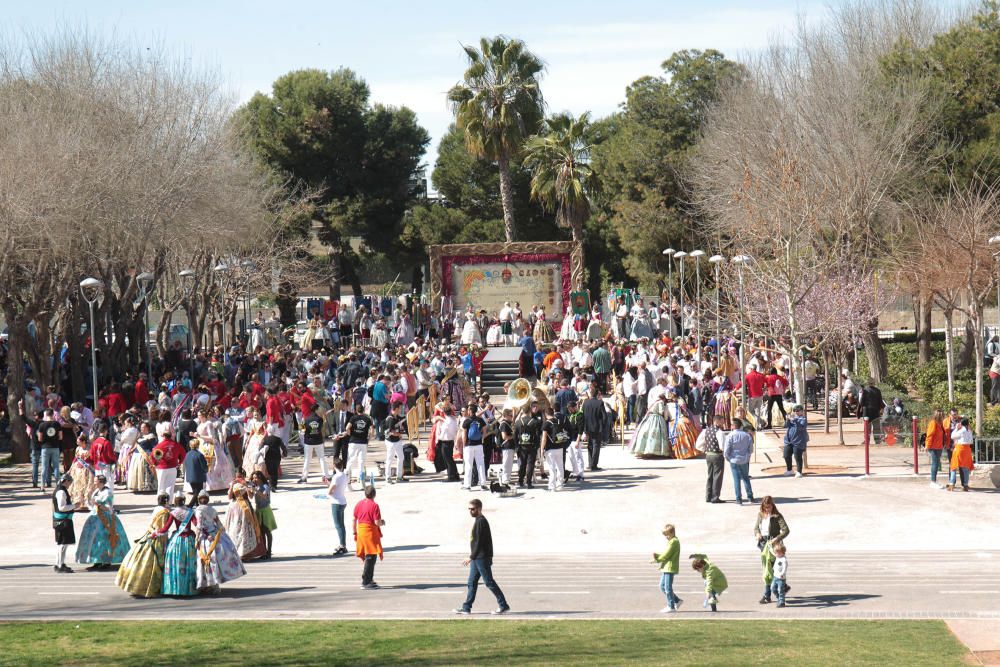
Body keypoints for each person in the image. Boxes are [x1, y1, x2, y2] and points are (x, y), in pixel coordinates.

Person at [454, 498, 510, 615]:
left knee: (489, 582)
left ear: (479, 509)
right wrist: (473, 557)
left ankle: (503, 605)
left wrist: (471, 557)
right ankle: (466, 607)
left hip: (481, 558)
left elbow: (479, 542)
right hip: (477, 558)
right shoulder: (478, 520)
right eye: (469, 509)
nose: (470, 511)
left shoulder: (481, 521)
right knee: (471, 582)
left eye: (473, 509)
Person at [115, 493, 172, 597]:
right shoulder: (164, 512)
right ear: (166, 501)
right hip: (158, 538)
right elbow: (162, 528)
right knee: (157, 563)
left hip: (149, 534)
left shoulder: (156, 509)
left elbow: (151, 525)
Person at [194, 490, 247, 594]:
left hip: (205, 538)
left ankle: (209, 584)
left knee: (206, 561)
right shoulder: (212, 510)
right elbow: (218, 523)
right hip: (215, 536)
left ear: (199, 500)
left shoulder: (198, 510)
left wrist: (197, 539)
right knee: (215, 561)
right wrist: (222, 535)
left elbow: (199, 526)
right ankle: (214, 585)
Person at [76, 475, 130, 570]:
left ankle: (106, 561)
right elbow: (93, 502)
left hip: (106, 518)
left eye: (96, 481)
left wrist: (97, 503)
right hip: (96, 516)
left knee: (104, 539)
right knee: (95, 540)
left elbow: (107, 506)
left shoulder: (107, 492)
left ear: (101, 482)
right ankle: (96, 560)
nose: (94, 482)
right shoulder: (97, 491)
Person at [755, 495, 791, 604]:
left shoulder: (777, 516)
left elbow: (786, 530)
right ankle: (778, 590)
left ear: (772, 505)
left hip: (775, 546)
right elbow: (756, 527)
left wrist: (777, 538)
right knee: (767, 569)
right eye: (765, 507)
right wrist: (757, 533)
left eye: (769, 507)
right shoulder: (760, 515)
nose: (767, 509)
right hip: (764, 544)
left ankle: (769, 594)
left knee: (775, 569)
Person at [161, 493, 199, 597]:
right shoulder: (190, 512)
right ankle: (190, 589)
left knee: (176, 563)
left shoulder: (173, 513)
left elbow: (166, 528)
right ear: (184, 500)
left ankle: (176, 588)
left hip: (177, 540)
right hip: (189, 540)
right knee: (190, 564)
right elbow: (197, 525)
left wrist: (156, 533)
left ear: (176, 501)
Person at [225, 471, 266, 561]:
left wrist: (247, 487)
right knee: (234, 529)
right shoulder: (232, 483)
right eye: (237, 475)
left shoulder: (248, 483)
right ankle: (234, 552)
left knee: (245, 529)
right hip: (234, 508)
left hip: (245, 508)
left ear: (243, 476)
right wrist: (232, 486)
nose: (239, 477)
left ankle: (245, 553)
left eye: (240, 476)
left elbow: (250, 496)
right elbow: (230, 497)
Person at [353, 485, 384, 589]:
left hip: (361, 532)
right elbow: (376, 522)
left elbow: (354, 519)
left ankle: (369, 579)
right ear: (374, 494)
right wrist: (382, 522)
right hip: (370, 533)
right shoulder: (375, 505)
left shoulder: (359, 504)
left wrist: (354, 532)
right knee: (371, 557)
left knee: (369, 556)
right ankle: (366, 581)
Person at [696, 415, 726, 504]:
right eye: (722, 421)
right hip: (717, 455)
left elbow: (698, 444)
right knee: (717, 476)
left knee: (710, 476)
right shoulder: (719, 432)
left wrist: (705, 450)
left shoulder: (706, 431)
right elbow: (722, 446)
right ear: (717, 421)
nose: (723, 423)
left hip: (708, 455)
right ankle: (715, 497)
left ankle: (708, 496)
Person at [652, 524, 682, 613]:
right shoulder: (671, 541)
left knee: (668, 588)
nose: (666, 537)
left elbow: (667, 554)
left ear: (673, 532)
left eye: (667, 534)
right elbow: (666, 553)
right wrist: (657, 556)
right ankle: (677, 600)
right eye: (665, 535)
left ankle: (671, 606)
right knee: (662, 586)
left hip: (670, 567)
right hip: (666, 567)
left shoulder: (674, 541)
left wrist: (658, 559)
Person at [52, 473, 78, 574]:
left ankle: (61, 563)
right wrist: (74, 506)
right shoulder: (61, 492)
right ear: (66, 481)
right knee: (62, 544)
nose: (70, 484)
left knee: (63, 544)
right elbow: (62, 507)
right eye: (70, 482)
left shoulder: (60, 490)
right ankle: (59, 565)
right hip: (63, 521)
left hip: (61, 521)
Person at [299, 403, 330, 484]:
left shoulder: (305, 419)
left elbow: (301, 431)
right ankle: (326, 475)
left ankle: (304, 477)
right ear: (316, 410)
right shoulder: (320, 419)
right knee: (321, 459)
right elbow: (321, 429)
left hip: (308, 441)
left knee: (307, 460)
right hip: (318, 441)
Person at [723, 424, 754, 505]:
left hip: (734, 460)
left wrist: (728, 457)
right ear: (741, 426)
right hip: (744, 460)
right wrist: (747, 456)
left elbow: (726, 450)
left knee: (736, 480)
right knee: (746, 478)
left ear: (733, 426)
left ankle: (738, 499)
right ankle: (750, 497)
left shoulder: (730, 436)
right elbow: (751, 449)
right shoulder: (747, 435)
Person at [514, 402, 543, 488]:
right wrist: (537, 446)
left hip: (521, 445)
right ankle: (529, 482)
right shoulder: (535, 422)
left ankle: (520, 481)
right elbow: (537, 436)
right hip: (531, 445)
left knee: (522, 464)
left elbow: (515, 436)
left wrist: (516, 446)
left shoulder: (518, 422)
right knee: (530, 464)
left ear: (522, 412)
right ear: (530, 411)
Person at [345, 403, 375, 487]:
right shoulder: (367, 418)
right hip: (363, 442)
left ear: (356, 410)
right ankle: (362, 482)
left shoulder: (353, 418)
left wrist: (350, 434)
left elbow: (347, 428)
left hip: (353, 441)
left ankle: (347, 480)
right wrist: (369, 438)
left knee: (350, 461)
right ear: (364, 410)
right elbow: (372, 431)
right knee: (361, 462)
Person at [152, 424, 185, 497]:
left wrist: (155, 463)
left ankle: (161, 502)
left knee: (161, 486)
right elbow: (183, 453)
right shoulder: (176, 445)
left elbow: (153, 455)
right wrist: (180, 462)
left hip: (161, 468)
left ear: (163, 436)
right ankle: (169, 502)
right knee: (170, 486)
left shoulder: (160, 445)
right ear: (171, 436)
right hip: (173, 467)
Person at [250, 470, 277, 559]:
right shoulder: (255, 487)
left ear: (261, 478)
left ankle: (269, 551)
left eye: (256, 478)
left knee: (267, 531)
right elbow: (250, 497)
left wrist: (255, 491)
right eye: (253, 478)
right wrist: (248, 490)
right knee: (261, 532)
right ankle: (264, 552)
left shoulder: (265, 486)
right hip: (258, 510)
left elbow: (264, 496)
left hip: (265, 510)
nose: (254, 479)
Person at [541, 406, 569, 492]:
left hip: (550, 449)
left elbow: (544, 438)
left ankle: (552, 486)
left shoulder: (546, 424)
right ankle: (560, 484)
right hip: (560, 447)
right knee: (560, 466)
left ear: (546, 414)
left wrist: (542, 449)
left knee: (551, 467)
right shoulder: (559, 421)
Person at [461, 402, 488, 491]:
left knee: (469, 465)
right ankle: (483, 484)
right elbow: (485, 430)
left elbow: (464, 434)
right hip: (479, 444)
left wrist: (464, 445)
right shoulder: (480, 420)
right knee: (480, 464)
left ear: (469, 411)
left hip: (469, 445)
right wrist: (482, 438)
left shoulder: (467, 421)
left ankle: (467, 485)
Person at [36, 409, 64, 490]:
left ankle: (42, 486)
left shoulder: (42, 425)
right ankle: (58, 485)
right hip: (55, 447)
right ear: (53, 415)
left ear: (46, 415)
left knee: (44, 467)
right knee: (56, 467)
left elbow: (40, 439)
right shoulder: (57, 424)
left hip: (45, 447)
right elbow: (61, 437)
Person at [582, 384, 607, 471]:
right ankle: (594, 464)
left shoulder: (585, 403)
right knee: (596, 445)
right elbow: (604, 416)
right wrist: (603, 426)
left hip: (588, 427)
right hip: (597, 427)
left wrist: (584, 428)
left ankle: (590, 463)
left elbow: (583, 416)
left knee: (590, 445)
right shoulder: (600, 403)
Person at [433, 404, 461, 483]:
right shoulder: (453, 420)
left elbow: (442, 434)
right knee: (450, 459)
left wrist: (438, 438)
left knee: (447, 460)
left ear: (444, 413)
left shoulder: (446, 422)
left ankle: (451, 476)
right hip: (451, 441)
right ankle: (455, 474)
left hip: (445, 442)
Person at [327, 459, 349, 555]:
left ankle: (342, 546)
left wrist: (328, 488)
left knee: (338, 525)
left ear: (334, 466)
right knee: (342, 525)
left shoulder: (336, 477)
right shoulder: (344, 475)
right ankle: (343, 544)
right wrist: (328, 484)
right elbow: (336, 487)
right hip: (342, 501)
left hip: (336, 502)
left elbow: (330, 491)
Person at [383, 402, 407, 484]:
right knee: (389, 459)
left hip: (397, 441)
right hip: (390, 442)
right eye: (400, 408)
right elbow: (391, 431)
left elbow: (398, 427)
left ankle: (399, 476)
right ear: (396, 409)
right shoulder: (390, 418)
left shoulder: (397, 417)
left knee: (401, 457)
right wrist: (399, 434)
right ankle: (388, 477)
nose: (400, 410)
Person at [948, 417, 974, 492]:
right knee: (965, 468)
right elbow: (971, 441)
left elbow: (952, 436)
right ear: (968, 423)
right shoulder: (969, 431)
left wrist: (956, 428)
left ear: (961, 424)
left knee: (953, 466)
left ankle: (951, 484)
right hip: (967, 450)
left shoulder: (961, 431)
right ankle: (965, 485)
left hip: (959, 449)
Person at [783, 405, 809, 477]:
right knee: (786, 455)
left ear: (801, 411)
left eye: (797, 411)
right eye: (794, 411)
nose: (796, 412)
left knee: (797, 456)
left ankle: (799, 471)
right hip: (789, 440)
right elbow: (786, 425)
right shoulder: (793, 418)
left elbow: (801, 427)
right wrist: (788, 419)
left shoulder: (803, 419)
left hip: (798, 441)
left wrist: (794, 420)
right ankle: (789, 470)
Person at [183, 439, 209, 507]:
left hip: (190, 476)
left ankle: (197, 504)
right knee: (197, 492)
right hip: (198, 476)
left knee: (195, 491)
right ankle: (190, 505)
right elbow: (204, 466)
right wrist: (207, 469)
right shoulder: (199, 455)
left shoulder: (187, 454)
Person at [925, 409, 946, 489]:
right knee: (935, 463)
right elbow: (930, 435)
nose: (943, 416)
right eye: (942, 415)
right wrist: (927, 446)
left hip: (938, 447)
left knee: (936, 464)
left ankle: (934, 480)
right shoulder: (933, 423)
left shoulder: (939, 424)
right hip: (933, 447)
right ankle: (933, 481)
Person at [261, 426, 287, 491]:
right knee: (275, 471)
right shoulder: (278, 439)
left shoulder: (265, 439)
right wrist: (284, 454)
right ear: (274, 431)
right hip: (277, 456)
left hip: (268, 456)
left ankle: (271, 485)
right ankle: (274, 485)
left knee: (270, 471)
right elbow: (283, 447)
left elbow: (260, 448)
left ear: (267, 431)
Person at [771, 542, 788, 608]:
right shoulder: (777, 557)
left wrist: (782, 574)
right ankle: (779, 598)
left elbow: (785, 567)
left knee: (780, 590)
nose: (776, 554)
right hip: (775, 577)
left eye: (778, 553)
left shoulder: (783, 560)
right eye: (776, 553)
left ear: (782, 552)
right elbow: (773, 552)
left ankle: (782, 602)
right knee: (772, 588)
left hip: (781, 578)